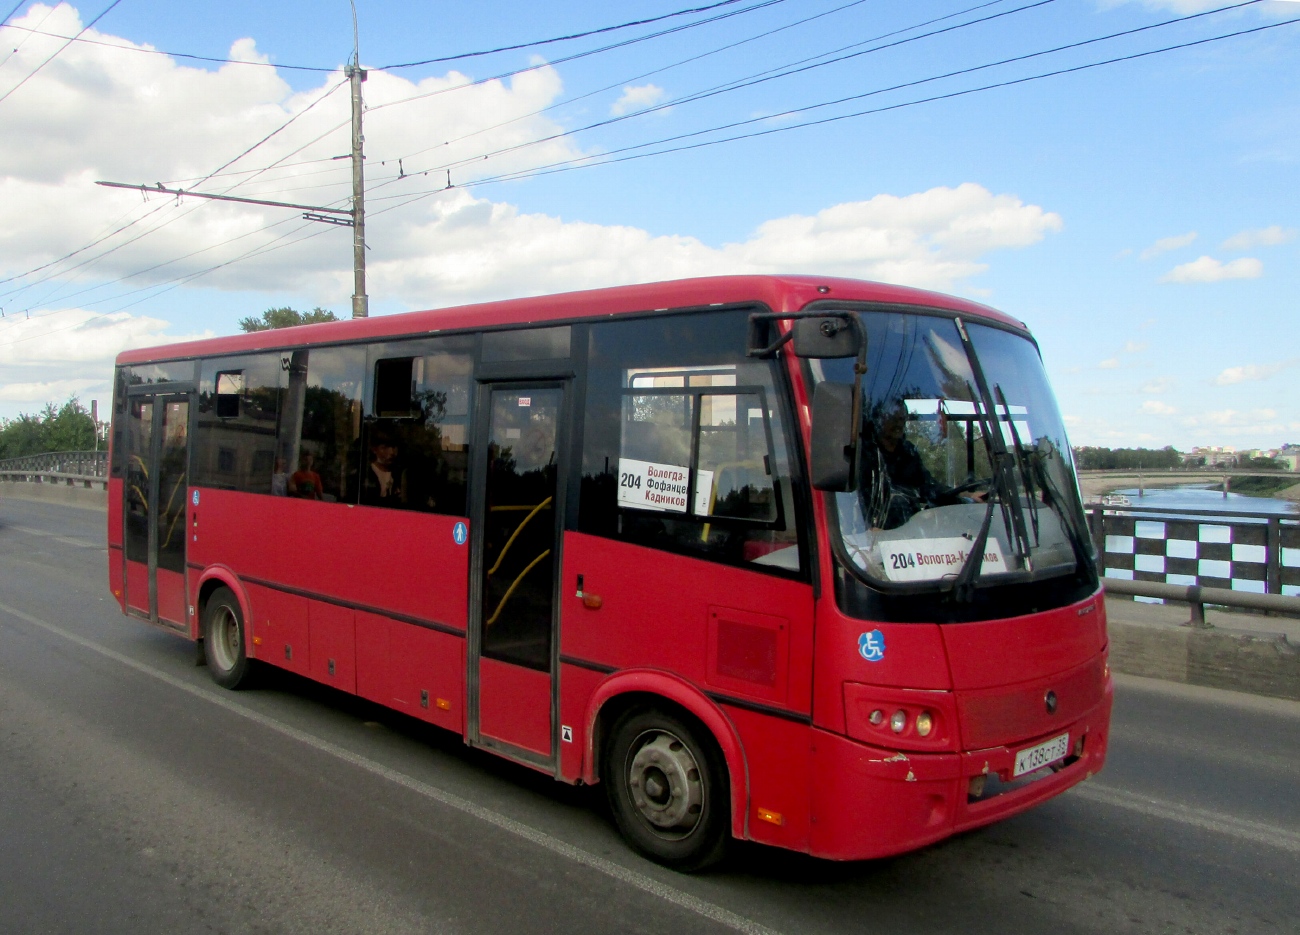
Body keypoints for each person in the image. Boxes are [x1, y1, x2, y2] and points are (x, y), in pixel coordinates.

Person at [360, 426, 407, 506]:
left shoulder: (401, 474)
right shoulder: (363, 475)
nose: (392, 452)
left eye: (394, 447)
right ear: (374, 449)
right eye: (385, 447)